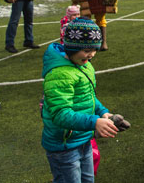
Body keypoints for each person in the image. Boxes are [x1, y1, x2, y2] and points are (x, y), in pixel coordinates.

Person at [41, 16, 119, 183]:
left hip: (82, 138)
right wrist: (94, 122)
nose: (91, 55)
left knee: (88, 180)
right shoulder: (59, 74)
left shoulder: (84, 64)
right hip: (64, 146)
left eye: (94, 49)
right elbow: (60, 114)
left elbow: (88, 97)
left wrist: (103, 113)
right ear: (71, 47)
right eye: (86, 50)